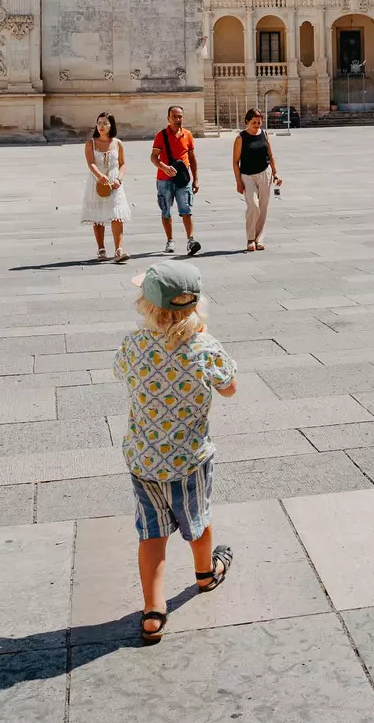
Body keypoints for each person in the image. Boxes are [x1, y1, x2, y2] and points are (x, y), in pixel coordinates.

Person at [114, 260, 235, 644]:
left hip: (144, 457)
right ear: (196, 305)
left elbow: (121, 372)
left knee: (151, 533)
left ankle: (153, 612)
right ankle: (204, 574)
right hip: (190, 458)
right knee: (197, 517)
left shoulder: (134, 344)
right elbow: (230, 387)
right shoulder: (204, 346)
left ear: (147, 306)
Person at [152, 105, 202, 256]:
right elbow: (153, 157)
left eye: (180, 116)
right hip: (164, 180)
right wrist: (163, 166)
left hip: (183, 180)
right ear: (168, 118)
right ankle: (170, 240)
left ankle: (191, 240)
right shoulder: (161, 135)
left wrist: (196, 179)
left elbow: (192, 159)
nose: (177, 119)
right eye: (174, 116)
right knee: (166, 211)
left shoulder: (187, 135)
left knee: (186, 209)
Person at [83, 112, 132, 264]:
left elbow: (122, 164)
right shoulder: (91, 142)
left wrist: (119, 178)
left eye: (105, 123)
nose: (101, 126)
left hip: (114, 181)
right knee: (97, 214)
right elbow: (90, 162)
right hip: (97, 181)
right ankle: (101, 248)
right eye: (99, 123)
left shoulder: (117, 143)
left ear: (111, 125)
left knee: (117, 214)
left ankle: (118, 249)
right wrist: (99, 176)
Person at [231, 109, 282, 252]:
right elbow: (235, 162)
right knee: (253, 205)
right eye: (254, 122)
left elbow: (270, 155)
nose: (257, 125)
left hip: (265, 173)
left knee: (264, 207)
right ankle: (250, 238)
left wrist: (276, 173)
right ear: (247, 121)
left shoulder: (264, 134)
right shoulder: (241, 138)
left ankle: (259, 239)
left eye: (259, 122)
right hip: (247, 176)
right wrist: (238, 181)